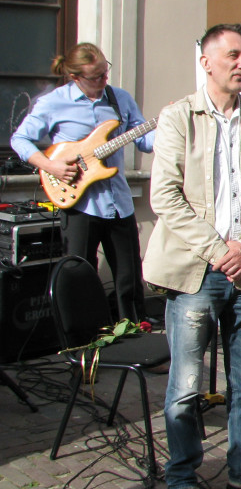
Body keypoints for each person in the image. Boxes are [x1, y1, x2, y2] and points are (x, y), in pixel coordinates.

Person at [144, 24, 241, 489]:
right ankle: (182, 479)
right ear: (206, 61)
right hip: (195, 274)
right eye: (233, 55)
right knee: (185, 387)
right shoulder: (176, 118)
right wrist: (217, 250)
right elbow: (164, 196)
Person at [12, 43, 153, 322]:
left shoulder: (120, 99)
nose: (103, 81)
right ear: (76, 77)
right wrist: (51, 165)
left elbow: (144, 140)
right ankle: (83, 350)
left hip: (118, 203)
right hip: (79, 204)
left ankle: (138, 341)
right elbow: (20, 139)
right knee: (78, 277)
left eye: (105, 72)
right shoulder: (54, 102)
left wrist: (171, 132)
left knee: (130, 280)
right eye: (95, 77)